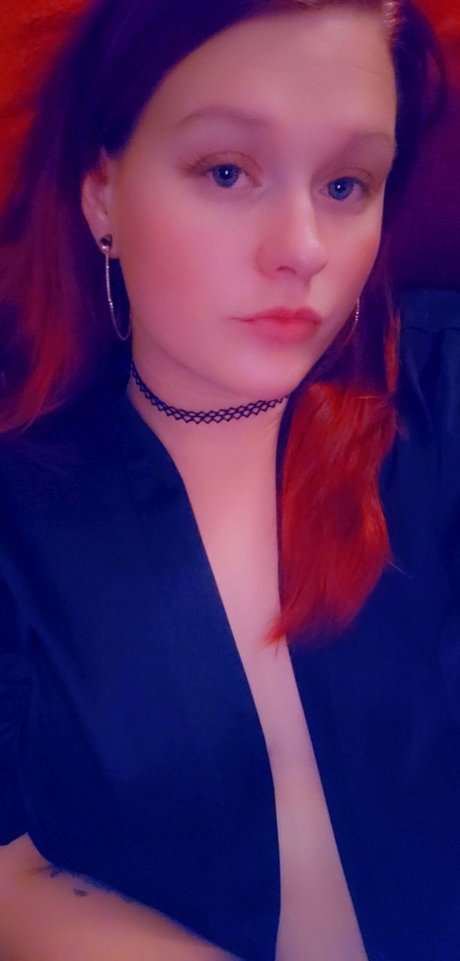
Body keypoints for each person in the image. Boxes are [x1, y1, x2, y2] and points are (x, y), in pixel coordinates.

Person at [0, 1, 458, 959]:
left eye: (346, 183)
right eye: (226, 171)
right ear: (101, 192)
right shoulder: (22, 506)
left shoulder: (441, 392)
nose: (304, 247)